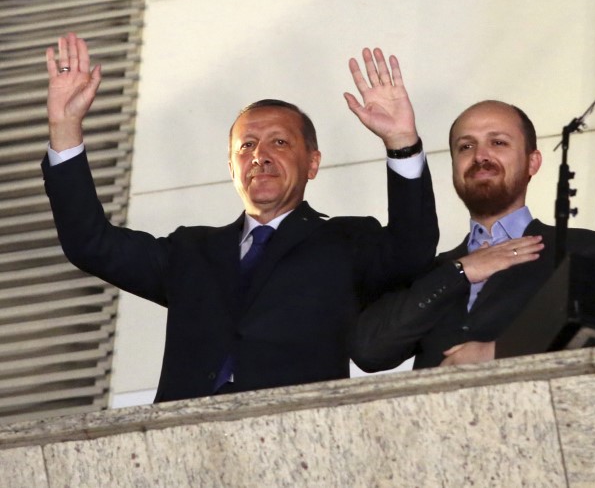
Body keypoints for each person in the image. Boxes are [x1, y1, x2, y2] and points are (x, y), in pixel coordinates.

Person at [42, 33, 438, 402]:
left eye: (279, 142)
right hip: (184, 440)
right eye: (246, 145)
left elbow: (412, 249)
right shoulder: (190, 251)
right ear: (232, 168)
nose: (260, 156)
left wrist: (401, 143)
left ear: (312, 163)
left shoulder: (345, 242)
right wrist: (65, 127)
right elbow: (89, 243)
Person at [350, 100, 595, 371]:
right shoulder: (432, 270)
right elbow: (369, 351)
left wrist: (500, 352)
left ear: (532, 162)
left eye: (498, 143)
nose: (480, 156)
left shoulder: (580, 248)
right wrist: (460, 271)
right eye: (466, 147)